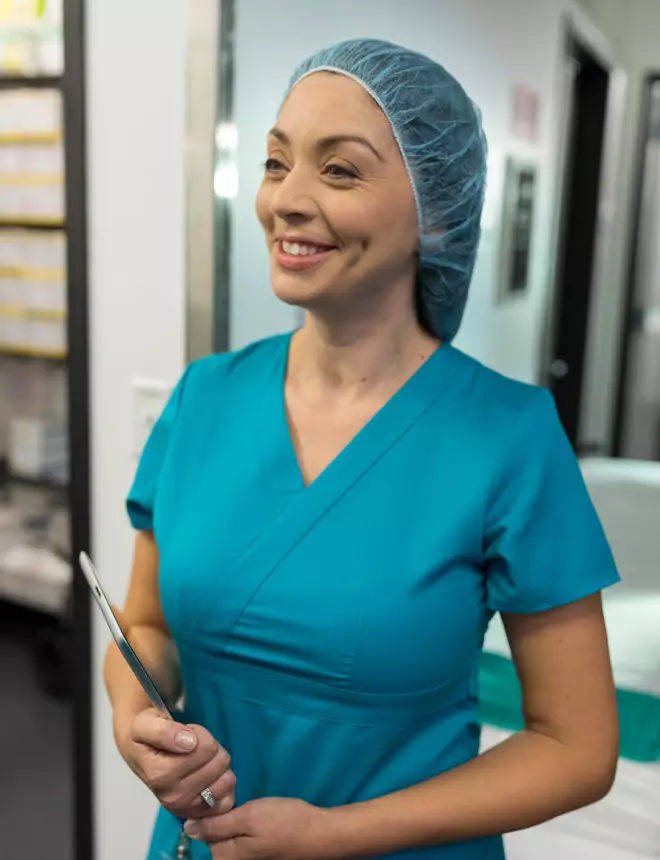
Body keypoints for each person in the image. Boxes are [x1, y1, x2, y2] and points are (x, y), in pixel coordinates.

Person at [105, 38, 620, 860]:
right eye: (277, 164)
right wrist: (136, 721)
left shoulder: (507, 436)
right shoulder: (204, 397)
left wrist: (336, 836)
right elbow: (147, 628)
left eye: (339, 171)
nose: (287, 201)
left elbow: (577, 748)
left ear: (439, 212)